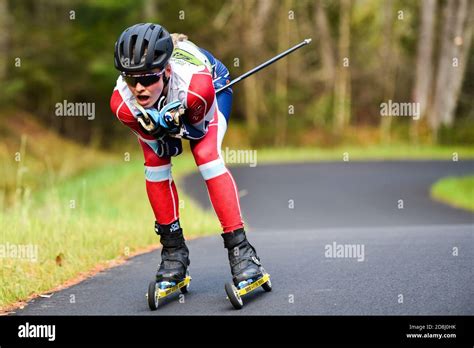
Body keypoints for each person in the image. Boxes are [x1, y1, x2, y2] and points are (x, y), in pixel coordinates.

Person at [110, 23, 266, 289]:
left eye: (148, 78)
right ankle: (173, 253)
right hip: (178, 103)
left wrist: (177, 121)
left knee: (206, 155)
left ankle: (241, 251)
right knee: (155, 163)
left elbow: (195, 133)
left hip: (212, 87)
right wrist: (159, 129)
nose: (139, 88)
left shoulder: (197, 87)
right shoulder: (122, 104)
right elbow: (167, 149)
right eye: (130, 78)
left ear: (166, 71)